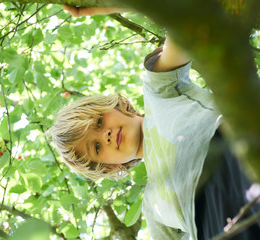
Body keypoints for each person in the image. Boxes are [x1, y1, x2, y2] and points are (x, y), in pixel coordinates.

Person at [48, 6, 260, 240]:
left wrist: (111, 4)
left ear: (117, 105)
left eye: (98, 123)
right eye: (96, 147)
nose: (105, 136)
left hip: (234, 155)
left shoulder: (158, 91)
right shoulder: (152, 205)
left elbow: (187, 20)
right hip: (217, 226)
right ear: (109, 167)